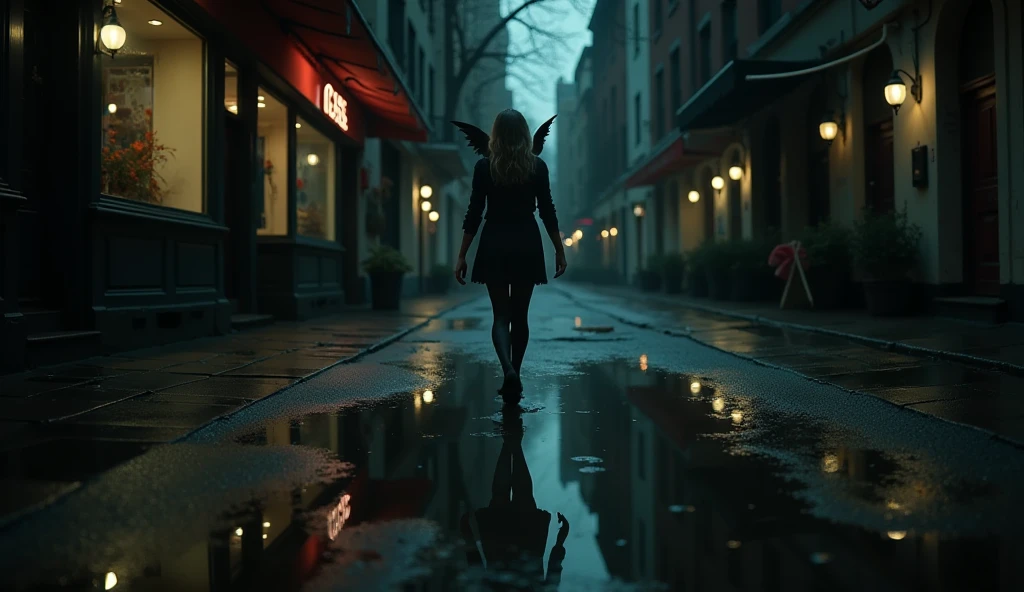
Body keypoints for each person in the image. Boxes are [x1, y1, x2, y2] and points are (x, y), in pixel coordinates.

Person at [454, 110, 567, 404]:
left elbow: (474, 213)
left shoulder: (484, 167)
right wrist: (559, 248)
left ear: (496, 135)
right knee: (521, 316)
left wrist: (462, 254)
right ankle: (515, 371)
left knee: (500, 316)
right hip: (527, 241)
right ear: (525, 135)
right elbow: (547, 211)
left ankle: (507, 370)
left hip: (494, 241)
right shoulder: (537, 167)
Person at [459, 407, 569, 589]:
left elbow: (552, 580)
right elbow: (477, 574)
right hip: (503, 550)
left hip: (525, 547)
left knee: (520, 495)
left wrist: (559, 543)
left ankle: (513, 443)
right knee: (506, 496)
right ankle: (510, 441)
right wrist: (469, 539)